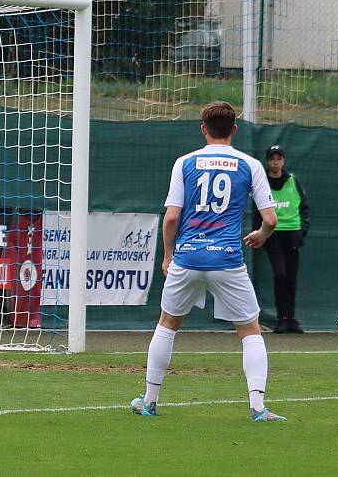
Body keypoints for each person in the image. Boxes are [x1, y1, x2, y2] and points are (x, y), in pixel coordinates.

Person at [130, 101, 286, 422]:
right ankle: (257, 407)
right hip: (227, 259)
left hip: (187, 257)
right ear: (234, 129)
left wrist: (169, 255)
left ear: (203, 129)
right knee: (250, 330)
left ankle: (150, 401)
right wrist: (260, 235)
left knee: (168, 324)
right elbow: (270, 219)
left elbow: (172, 217)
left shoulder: (185, 163)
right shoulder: (250, 165)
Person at [256, 145, 310, 334]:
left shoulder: (293, 181)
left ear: (283, 161)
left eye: (279, 158)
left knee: (291, 278)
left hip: (293, 235)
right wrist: (261, 233)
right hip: (273, 235)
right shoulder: (262, 182)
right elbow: (257, 210)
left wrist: (302, 231)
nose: (275, 162)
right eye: (272, 159)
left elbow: (304, 207)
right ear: (267, 162)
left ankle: (291, 319)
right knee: (280, 274)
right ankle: (281, 318)